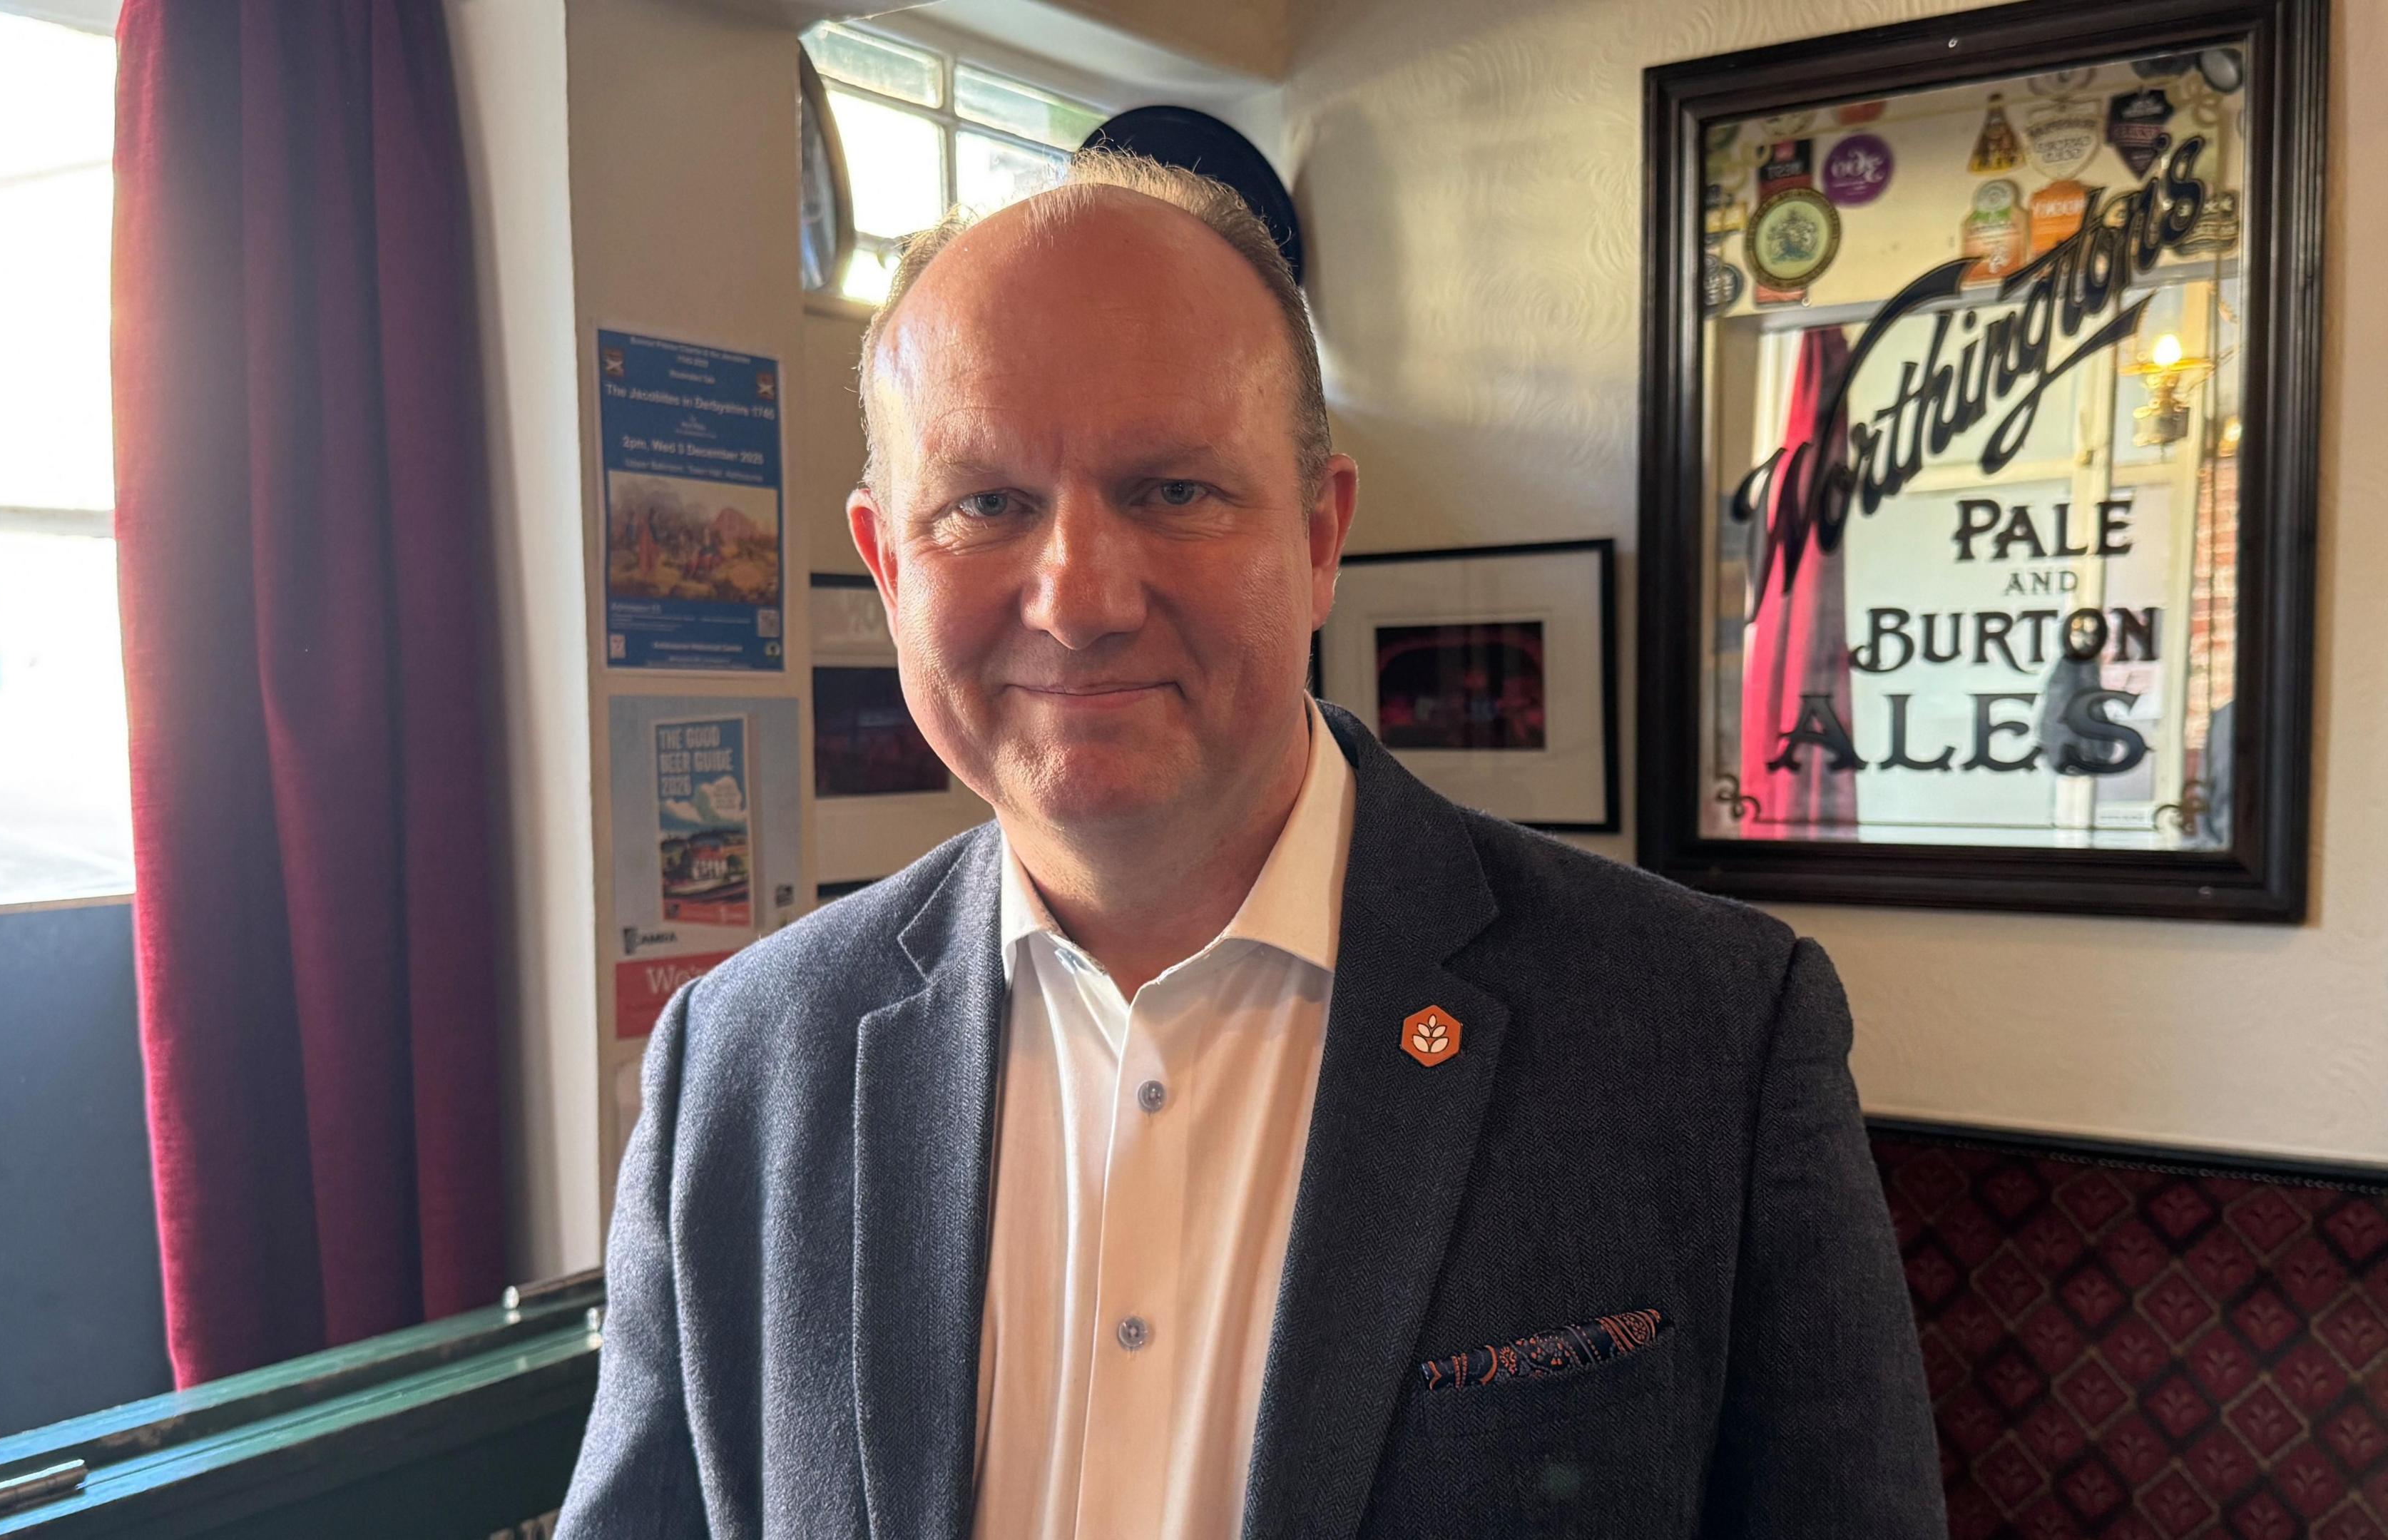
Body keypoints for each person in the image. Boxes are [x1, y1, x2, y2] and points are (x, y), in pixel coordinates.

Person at [558, 150, 1941, 1539]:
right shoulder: (738, 1057)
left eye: (1173, 491)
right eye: (986, 503)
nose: (1080, 599)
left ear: (1323, 534)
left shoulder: (1704, 1032)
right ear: (888, 563)